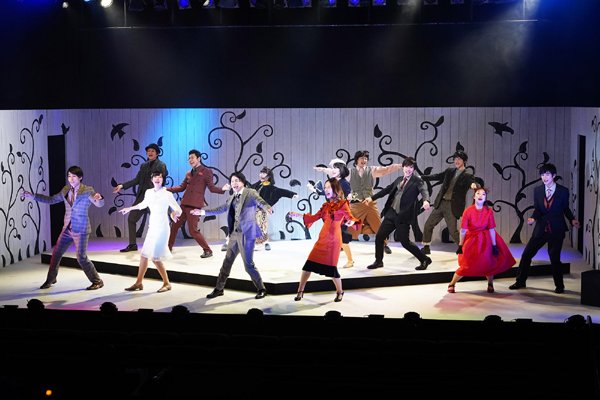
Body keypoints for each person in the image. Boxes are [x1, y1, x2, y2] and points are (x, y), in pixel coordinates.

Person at [22, 166, 105, 290]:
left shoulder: (88, 190)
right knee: (56, 253)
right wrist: (33, 196)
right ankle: (51, 279)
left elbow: (98, 203)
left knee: (81, 258)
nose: (71, 179)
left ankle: (97, 281)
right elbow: (51, 200)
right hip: (67, 228)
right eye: (69, 176)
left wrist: (100, 198)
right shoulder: (66, 189)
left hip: (81, 229)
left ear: (80, 177)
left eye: (74, 176)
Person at [192, 172, 272, 300]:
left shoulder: (250, 193)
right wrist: (202, 212)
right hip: (234, 234)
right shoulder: (231, 198)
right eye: (232, 181)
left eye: (237, 180)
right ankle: (219, 289)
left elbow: (260, 201)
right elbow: (221, 209)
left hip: (247, 234)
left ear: (243, 182)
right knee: (227, 262)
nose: (234, 183)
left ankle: (261, 288)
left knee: (248, 265)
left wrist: (267, 207)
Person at [509, 163, 580, 294]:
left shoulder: (563, 191)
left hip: (556, 229)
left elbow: (565, 208)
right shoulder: (538, 190)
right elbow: (538, 209)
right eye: (542, 174)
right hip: (541, 229)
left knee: (554, 258)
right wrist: (533, 218)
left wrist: (572, 219)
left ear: (554, 175)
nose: (544, 177)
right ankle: (520, 281)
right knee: (526, 254)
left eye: (547, 174)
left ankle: (559, 286)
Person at [289, 178, 360, 302]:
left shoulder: (343, 204)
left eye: (328, 187)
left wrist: (351, 222)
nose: (326, 189)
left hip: (334, 241)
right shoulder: (325, 206)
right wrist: (298, 215)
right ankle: (300, 291)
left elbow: (350, 217)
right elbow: (313, 218)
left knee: (332, 270)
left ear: (335, 189)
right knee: (308, 266)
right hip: (322, 239)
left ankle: (340, 291)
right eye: (325, 187)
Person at [119, 171, 182, 293]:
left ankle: (167, 283)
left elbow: (178, 209)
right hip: (152, 227)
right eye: (155, 177)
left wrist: (174, 214)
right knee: (144, 255)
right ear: (151, 179)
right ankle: (139, 283)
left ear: (163, 179)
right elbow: (143, 205)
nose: (157, 179)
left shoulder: (167, 194)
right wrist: (130, 208)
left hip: (162, 228)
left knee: (155, 258)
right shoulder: (148, 192)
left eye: (160, 177)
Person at [365, 157, 432, 271]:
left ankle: (424, 259)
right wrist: (372, 198)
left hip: (403, 216)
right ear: (403, 167)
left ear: (413, 169)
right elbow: (387, 190)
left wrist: (426, 201)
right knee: (380, 236)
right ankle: (378, 261)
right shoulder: (399, 179)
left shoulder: (417, 180)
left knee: (405, 242)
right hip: (391, 213)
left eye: (411, 167)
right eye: (406, 166)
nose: (408, 169)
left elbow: (424, 190)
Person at [447, 186, 516, 293]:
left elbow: (491, 229)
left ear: (485, 198)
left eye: (483, 194)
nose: (481, 196)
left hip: (486, 240)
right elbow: (463, 230)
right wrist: (460, 245)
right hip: (472, 239)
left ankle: (490, 284)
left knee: (488, 262)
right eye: (478, 193)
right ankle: (452, 283)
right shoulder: (468, 211)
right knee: (467, 264)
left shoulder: (488, 211)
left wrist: (494, 245)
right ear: (474, 197)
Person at [167, 149, 229, 259]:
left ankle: (208, 250)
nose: (190, 160)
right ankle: (168, 248)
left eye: (192, 158)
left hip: (195, 205)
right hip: (184, 204)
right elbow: (181, 187)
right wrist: (167, 189)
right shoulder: (188, 173)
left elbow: (211, 188)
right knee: (174, 225)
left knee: (193, 230)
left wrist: (222, 189)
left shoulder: (207, 171)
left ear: (198, 158)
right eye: (189, 158)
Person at [420, 150, 479, 255]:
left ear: (464, 161)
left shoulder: (467, 176)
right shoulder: (449, 171)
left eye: (459, 159)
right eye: (455, 159)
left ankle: (466, 248)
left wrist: (473, 185)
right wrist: (422, 177)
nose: (456, 161)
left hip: (452, 206)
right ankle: (426, 247)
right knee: (428, 224)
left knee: (452, 231)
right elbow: (437, 176)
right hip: (441, 203)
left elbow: (471, 183)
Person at [113, 143, 168, 253]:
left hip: (154, 197)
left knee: (157, 222)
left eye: (152, 151)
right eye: (148, 151)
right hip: (142, 197)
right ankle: (132, 244)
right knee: (131, 219)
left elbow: (162, 180)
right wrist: (122, 186)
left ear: (157, 153)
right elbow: (136, 180)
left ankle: (160, 245)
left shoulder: (161, 165)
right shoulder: (143, 166)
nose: (150, 153)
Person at [348, 150, 402, 255]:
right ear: (356, 160)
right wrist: (325, 170)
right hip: (356, 204)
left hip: (369, 203)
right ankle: (342, 244)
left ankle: (384, 244)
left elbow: (386, 170)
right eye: (362, 158)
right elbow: (337, 173)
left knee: (378, 224)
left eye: (365, 158)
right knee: (351, 225)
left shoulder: (371, 170)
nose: (364, 160)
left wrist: (399, 166)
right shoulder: (350, 172)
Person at [312, 159, 355, 268]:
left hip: (341, 214)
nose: (333, 170)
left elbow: (347, 197)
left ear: (342, 170)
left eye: (336, 168)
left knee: (343, 237)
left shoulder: (344, 183)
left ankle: (350, 260)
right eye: (333, 168)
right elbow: (327, 193)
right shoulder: (333, 182)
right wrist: (316, 190)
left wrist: (349, 197)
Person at [251, 166, 297, 251]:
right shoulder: (256, 185)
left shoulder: (270, 187)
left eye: (264, 173)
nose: (261, 175)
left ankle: (260, 243)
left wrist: (291, 194)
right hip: (253, 209)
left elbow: (280, 191)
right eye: (261, 173)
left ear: (268, 176)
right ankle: (263, 242)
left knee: (261, 225)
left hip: (263, 209)